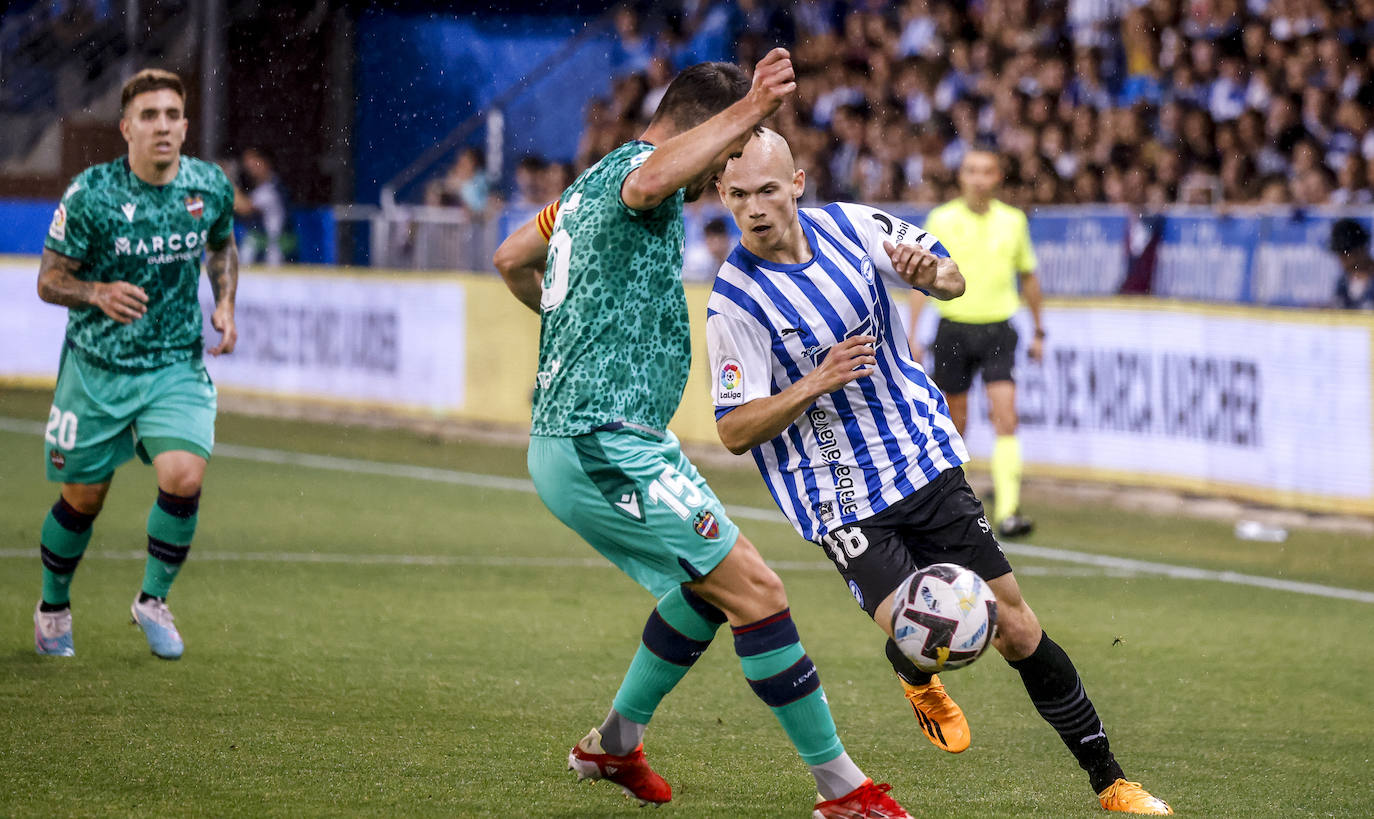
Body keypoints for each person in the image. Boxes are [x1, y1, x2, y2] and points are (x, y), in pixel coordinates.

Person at [491, 51, 911, 818]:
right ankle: (842, 790)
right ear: (703, 129)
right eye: (722, 158)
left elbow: (513, 256)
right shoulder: (640, 172)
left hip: (609, 439)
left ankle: (613, 744)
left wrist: (573, 325)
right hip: (599, 438)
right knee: (758, 590)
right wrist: (752, 107)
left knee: (704, 592)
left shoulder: (587, 187)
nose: (718, 183)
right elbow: (654, 175)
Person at [706, 129, 1172, 815]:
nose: (755, 207)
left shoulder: (851, 226)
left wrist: (935, 278)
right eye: (739, 194)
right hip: (839, 493)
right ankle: (915, 665)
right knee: (927, 624)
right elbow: (732, 429)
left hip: (919, 454)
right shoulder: (733, 303)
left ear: (798, 184)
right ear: (721, 195)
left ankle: (1111, 781)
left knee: (1013, 627)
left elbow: (951, 274)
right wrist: (813, 383)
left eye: (768, 190)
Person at [32, 68, 238, 660]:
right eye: (149, 116)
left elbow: (221, 242)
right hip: (98, 369)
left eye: (173, 115)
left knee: (184, 476)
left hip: (174, 364)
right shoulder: (91, 194)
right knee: (82, 501)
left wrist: (224, 302)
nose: (163, 127)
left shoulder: (208, 186)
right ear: (126, 128)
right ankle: (52, 608)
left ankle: (152, 600)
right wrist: (97, 292)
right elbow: (49, 279)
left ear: (185, 125)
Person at [908, 147, 1043, 538]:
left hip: (999, 328)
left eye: (986, 171)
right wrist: (914, 333)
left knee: (1006, 416)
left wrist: (1039, 329)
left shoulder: (1013, 221)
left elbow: (1029, 276)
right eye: (971, 171)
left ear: (997, 177)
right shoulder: (942, 219)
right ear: (961, 177)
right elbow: (922, 277)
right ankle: (955, 509)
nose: (978, 178)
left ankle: (1009, 511)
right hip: (954, 329)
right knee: (956, 425)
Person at [233, 146, 293, 266]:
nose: (250, 168)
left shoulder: (271, 189)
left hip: (274, 252)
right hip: (265, 248)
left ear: (266, 162)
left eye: (255, 163)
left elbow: (244, 208)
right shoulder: (262, 187)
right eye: (247, 165)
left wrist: (226, 181)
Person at [1330, 217, 1374, 309]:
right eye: (1339, 255)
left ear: (1361, 249)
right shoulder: (1343, 282)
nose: (1342, 261)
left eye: (1346, 254)